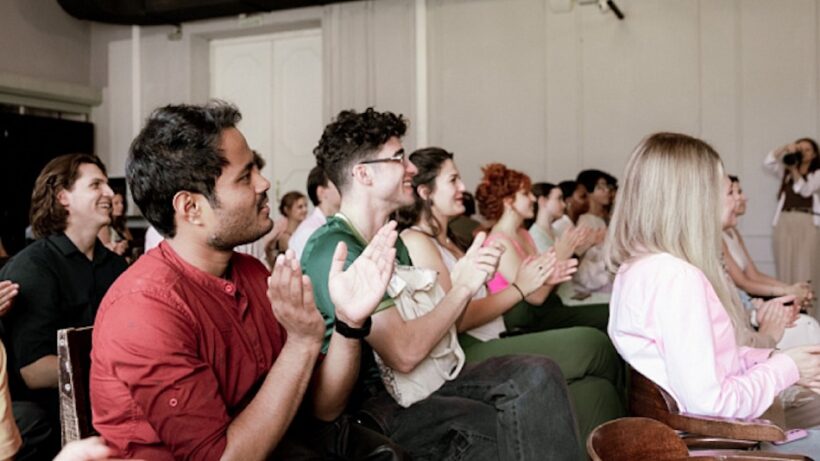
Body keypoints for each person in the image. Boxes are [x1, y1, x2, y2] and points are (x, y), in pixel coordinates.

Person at [90, 102, 404, 460]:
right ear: (191, 208)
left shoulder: (251, 273)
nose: (264, 183)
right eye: (245, 176)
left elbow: (324, 408)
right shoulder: (146, 309)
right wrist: (301, 342)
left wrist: (349, 323)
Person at [302, 108, 582, 460]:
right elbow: (403, 354)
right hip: (374, 406)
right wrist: (462, 288)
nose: (411, 168)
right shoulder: (337, 248)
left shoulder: (392, 239)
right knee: (497, 425)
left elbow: (423, 332)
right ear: (363, 174)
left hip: (423, 378)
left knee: (540, 373)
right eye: (399, 158)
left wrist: (463, 282)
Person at [607, 132, 820, 455]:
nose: (725, 200)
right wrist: (787, 367)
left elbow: (708, 361)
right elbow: (713, 404)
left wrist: (774, 359)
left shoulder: (638, 268)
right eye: (719, 190)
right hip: (722, 446)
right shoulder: (676, 277)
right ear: (692, 200)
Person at [396, 147, 625, 444]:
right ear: (426, 192)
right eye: (453, 180)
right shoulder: (417, 240)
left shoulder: (452, 239)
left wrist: (538, 277)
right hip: (463, 350)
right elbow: (456, 319)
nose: (463, 187)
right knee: (594, 344)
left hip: (494, 335)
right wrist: (519, 288)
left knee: (596, 392)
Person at [0, 154, 127, 459]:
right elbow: (33, 371)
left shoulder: (115, 266)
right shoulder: (34, 266)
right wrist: (120, 369)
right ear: (63, 197)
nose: (109, 193)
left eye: (107, 185)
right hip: (52, 418)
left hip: (111, 401)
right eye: (96, 185)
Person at [474, 163, 610, 332]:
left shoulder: (523, 233)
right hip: (528, 321)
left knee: (612, 312)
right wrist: (561, 256)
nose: (533, 198)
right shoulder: (499, 243)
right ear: (508, 201)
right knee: (609, 315)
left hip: (548, 309)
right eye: (525, 194)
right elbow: (536, 296)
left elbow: (544, 279)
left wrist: (565, 254)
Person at [722, 175, 818, 350]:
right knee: (804, 322)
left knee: (800, 313)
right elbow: (744, 283)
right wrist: (787, 291)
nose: (742, 198)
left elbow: (754, 274)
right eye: (733, 193)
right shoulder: (717, 238)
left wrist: (790, 288)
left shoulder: (733, 232)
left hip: (748, 300)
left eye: (740, 192)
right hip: (743, 303)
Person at [763, 138, 820, 319]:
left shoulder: (817, 173)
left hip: (807, 222)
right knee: (785, 267)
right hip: (785, 221)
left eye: (807, 150)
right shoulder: (786, 170)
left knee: (806, 268)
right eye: (800, 148)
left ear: (815, 154)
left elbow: (805, 190)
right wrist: (785, 149)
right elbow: (768, 161)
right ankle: (788, 315)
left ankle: (810, 317)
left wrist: (794, 169)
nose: (803, 152)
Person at [288, 166, 341, 259]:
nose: (344, 187)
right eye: (338, 183)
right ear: (321, 192)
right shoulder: (310, 232)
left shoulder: (336, 223)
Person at [97, 192, 133, 257]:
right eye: (116, 203)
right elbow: (104, 249)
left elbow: (130, 241)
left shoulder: (121, 224)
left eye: (122, 203)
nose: (121, 206)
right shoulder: (104, 226)